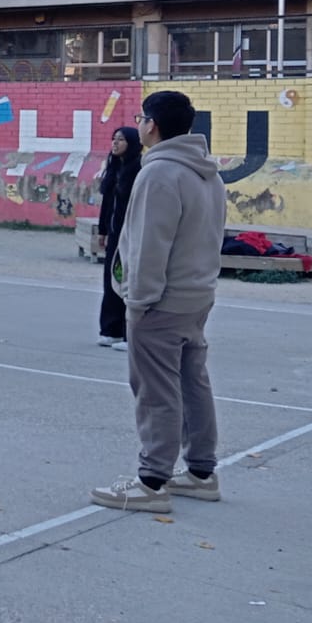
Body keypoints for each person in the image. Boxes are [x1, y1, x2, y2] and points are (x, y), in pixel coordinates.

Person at [90, 91, 226, 513]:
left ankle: (151, 481)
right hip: (196, 294)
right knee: (192, 382)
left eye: (140, 118)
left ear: (152, 125)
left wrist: (139, 301)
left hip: (161, 300)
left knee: (155, 390)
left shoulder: (160, 173)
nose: (138, 124)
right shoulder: (208, 173)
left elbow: (151, 244)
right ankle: (201, 472)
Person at [94, 126, 142, 350]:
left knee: (127, 282)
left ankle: (128, 334)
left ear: (131, 143)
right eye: (114, 139)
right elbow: (107, 204)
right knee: (111, 279)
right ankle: (110, 330)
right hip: (114, 234)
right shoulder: (114, 168)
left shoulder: (139, 169)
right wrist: (103, 231)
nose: (115, 143)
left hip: (131, 234)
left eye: (121, 140)